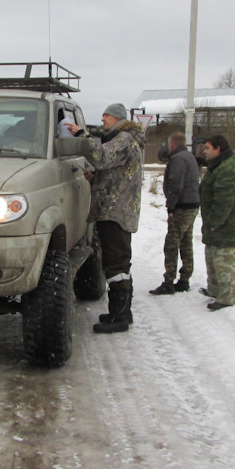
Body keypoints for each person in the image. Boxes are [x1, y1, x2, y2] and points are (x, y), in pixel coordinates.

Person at [66, 103, 145, 333]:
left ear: (118, 118)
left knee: (116, 264)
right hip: (116, 208)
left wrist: (82, 136)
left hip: (115, 211)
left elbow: (100, 156)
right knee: (118, 262)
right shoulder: (126, 139)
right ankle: (123, 312)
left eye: (106, 116)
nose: (103, 119)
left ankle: (118, 316)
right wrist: (97, 177)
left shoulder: (123, 139)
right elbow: (112, 168)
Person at [199, 134, 235, 311]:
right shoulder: (219, 165)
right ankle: (215, 289)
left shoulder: (228, 168)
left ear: (217, 149)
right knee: (213, 257)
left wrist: (214, 222)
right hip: (217, 226)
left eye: (207, 148)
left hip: (228, 226)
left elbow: (224, 201)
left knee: (225, 260)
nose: (204, 151)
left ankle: (228, 297)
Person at [149, 131, 200, 295]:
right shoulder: (189, 156)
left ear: (171, 145)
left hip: (181, 206)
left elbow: (175, 184)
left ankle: (169, 281)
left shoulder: (177, 159)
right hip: (192, 205)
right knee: (186, 242)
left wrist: (171, 206)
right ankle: (184, 279)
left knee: (172, 243)